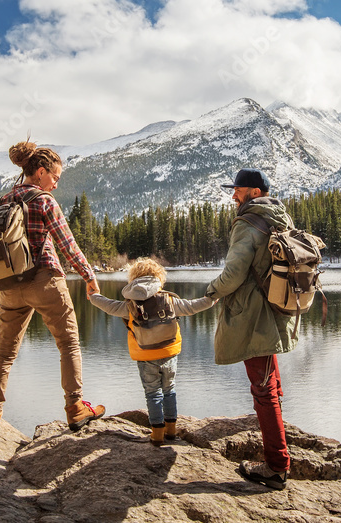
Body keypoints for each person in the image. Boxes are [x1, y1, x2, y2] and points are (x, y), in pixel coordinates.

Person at [0, 142, 104, 439]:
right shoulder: (44, 200)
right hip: (45, 280)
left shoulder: (3, 200)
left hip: (10, 286)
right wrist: (89, 276)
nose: (56, 184)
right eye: (55, 177)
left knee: (5, 352)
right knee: (69, 344)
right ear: (40, 172)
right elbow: (67, 244)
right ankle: (75, 409)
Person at [205, 168, 297, 490]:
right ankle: (279, 441)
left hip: (252, 318)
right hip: (276, 312)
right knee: (270, 382)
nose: (234, 195)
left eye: (238, 190)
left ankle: (276, 466)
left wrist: (210, 292)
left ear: (255, 192)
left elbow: (232, 275)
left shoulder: (247, 223)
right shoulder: (280, 217)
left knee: (262, 390)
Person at [88, 258, 216, 446]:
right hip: (169, 351)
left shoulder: (131, 306)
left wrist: (93, 296)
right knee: (169, 390)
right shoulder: (169, 301)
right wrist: (212, 299)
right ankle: (171, 431)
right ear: (159, 277)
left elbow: (109, 306)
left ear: (133, 278)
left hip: (145, 355)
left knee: (152, 393)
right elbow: (192, 306)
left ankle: (156, 434)